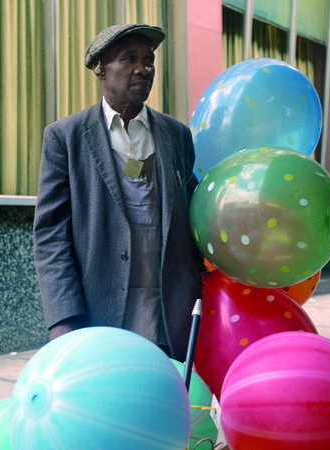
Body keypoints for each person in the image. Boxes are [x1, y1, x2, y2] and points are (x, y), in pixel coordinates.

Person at [33, 24, 204, 360]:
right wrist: (64, 317)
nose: (143, 69)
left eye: (149, 60)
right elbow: (50, 237)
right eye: (129, 59)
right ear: (100, 68)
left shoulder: (177, 134)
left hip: (169, 314)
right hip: (101, 314)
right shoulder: (65, 138)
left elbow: (195, 216)